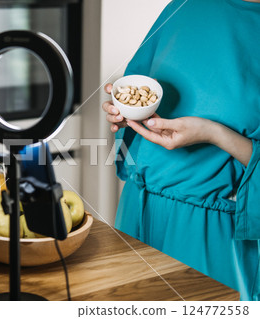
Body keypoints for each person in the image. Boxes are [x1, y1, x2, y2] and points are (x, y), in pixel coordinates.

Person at [102, 0, 260, 300]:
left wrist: (213, 133)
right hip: (136, 209)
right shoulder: (184, 6)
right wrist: (126, 115)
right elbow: (142, 91)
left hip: (210, 232)